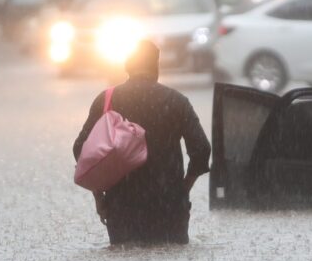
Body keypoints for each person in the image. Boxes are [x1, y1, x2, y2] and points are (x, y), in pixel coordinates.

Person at [73, 40, 211, 245]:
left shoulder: (107, 100)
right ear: (156, 67)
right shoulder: (176, 101)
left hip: (121, 207)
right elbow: (201, 150)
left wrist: (99, 197)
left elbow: (82, 151)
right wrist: (183, 189)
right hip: (168, 206)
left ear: (127, 66)